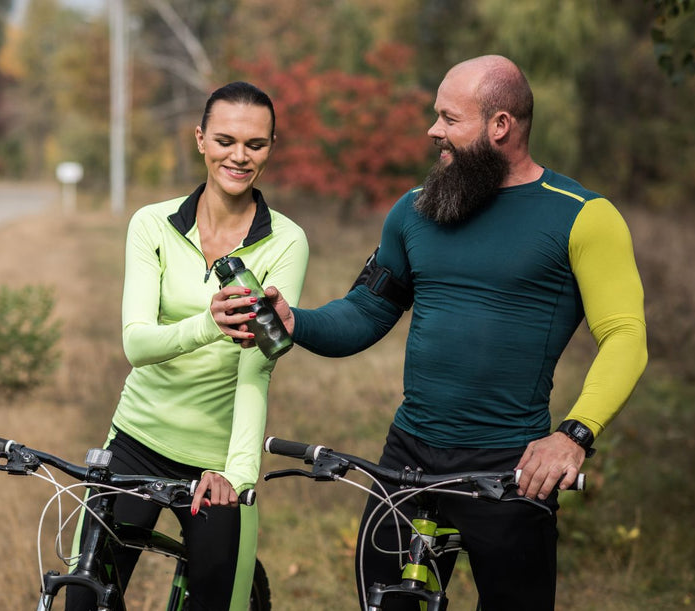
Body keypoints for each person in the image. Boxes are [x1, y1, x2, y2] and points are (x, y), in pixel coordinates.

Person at [215, 55, 647, 610]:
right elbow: (366, 313)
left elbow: (626, 335)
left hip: (510, 468)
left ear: (500, 126)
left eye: (449, 118)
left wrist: (573, 435)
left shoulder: (584, 216)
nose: (432, 131)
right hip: (407, 458)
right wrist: (298, 322)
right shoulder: (417, 210)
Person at [65, 81, 308, 611]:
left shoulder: (286, 240)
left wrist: (237, 474)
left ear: (270, 147)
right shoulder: (151, 224)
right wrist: (208, 323)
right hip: (136, 439)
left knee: (217, 600)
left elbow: (258, 368)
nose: (239, 156)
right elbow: (137, 344)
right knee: (84, 599)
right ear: (200, 139)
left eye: (256, 144)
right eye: (225, 140)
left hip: (216, 458)